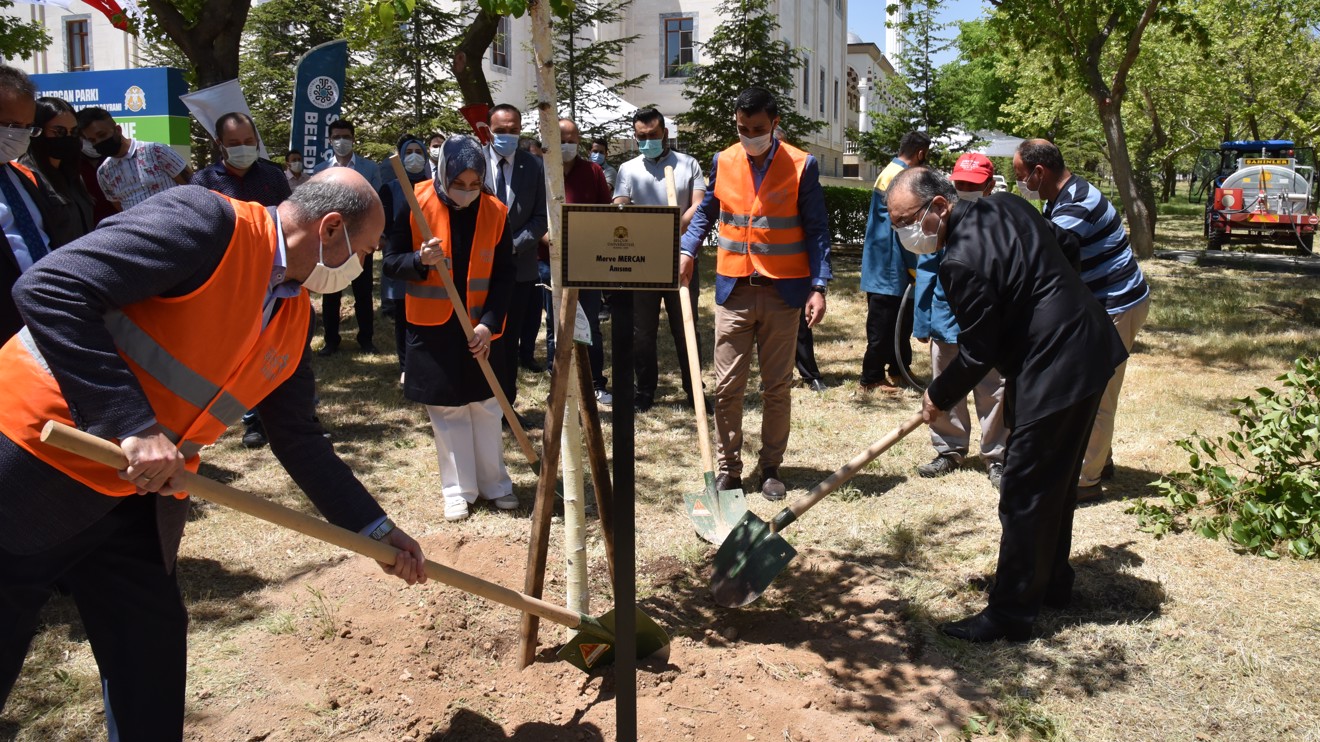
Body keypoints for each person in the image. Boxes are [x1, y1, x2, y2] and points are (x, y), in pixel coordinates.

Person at [0, 169, 428, 740]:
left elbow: (298, 436)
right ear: (330, 230)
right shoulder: (205, 223)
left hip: (135, 499)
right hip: (33, 465)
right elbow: (50, 288)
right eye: (367, 250)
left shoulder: (292, 311)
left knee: (147, 657)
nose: (364, 266)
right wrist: (132, 425)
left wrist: (372, 530)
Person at [888, 166, 1126, 642]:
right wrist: (1054, 301)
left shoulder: (959, 262)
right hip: (1089, 344)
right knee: (1053, 481)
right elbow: (1069, 248)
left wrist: (937, 394)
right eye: (895, 223)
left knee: (1024, 488)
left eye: (906, 219)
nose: (903, 232)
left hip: (1058, 366)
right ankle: (1050, 584)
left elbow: (977, 350)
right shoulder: (1010, 206)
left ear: (939, 206)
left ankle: (1011, 614)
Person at [679, 87, 832, 501]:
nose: (750, 135)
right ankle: (729, 470)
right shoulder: (723, 160)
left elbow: (817, 230)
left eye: (759, 129)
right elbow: (708, 210)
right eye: (743, 128)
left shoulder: (803, 164)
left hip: (784, 293)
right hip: (734, 290)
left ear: (775, 124)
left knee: (776, 387)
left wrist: (818, 286)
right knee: (727, 387)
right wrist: (686, 249)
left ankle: (771, 468)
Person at [384, 135, 517, 523]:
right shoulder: (414, 202)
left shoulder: (495, 210)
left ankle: (496, 484)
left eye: (475, 185)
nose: (467, 193)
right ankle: (458, 490)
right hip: (433, 327)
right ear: (443, 174)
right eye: (459, 184)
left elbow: (505, 276)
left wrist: (488, 325)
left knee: (487, 404)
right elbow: (390, 261)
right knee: (448, 410)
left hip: (479, 327)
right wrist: (419, 259)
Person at [1013, 139, 1151, 502]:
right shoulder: (1060, 198)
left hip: (1117, 305)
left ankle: (1087, 481)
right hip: (1104, 303)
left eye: (1020, 176)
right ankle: (1098, 459)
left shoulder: (1076, 204)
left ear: (1039, 172)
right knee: (1091, 387)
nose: (1019, 183)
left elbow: (1048, 258)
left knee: (1098, 392)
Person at [912, 153, 1008, 486]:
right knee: (943, 384)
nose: (965, 189)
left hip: (987, 323)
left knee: (993, 390)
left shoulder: (997, 222)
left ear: (989, 186)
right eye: (960, 184)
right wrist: (923, 319)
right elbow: (925, 269)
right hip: (945, 318)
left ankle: (997, 455)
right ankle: (949, 448)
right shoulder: (942, 218)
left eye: (973, 185)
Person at [612, 108, 705, 411]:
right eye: (641, 137)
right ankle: (645, 391)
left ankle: (694, 390)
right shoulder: (628, 169)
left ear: (665, 133)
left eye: (653, 135)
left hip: (682, 256)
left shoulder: (688, 165)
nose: (647, 140)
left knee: (685, 327)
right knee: (643, 331)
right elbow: (621, 206)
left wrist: (672, 224)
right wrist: (646, 224)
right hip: (643, 259)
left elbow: (699, 207)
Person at [484, 104, 549, 405]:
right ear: (488, 130)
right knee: (481, 338)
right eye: (500, 131)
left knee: (509, 342)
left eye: (513, 130)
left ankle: (506, 406)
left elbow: (540, 218)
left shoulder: (533, 166)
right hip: (478, 268)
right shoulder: (473, 161)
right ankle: (479, 401)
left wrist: (512, 245)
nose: (507, 136)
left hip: (519, 268)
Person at [860, 131, 926, 393]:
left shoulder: (892, 171)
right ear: (921, 153)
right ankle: (871, 377)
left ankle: (899, 369)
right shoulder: (899, 177)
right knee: (884, 324)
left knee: (901, 321)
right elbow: (904, 223)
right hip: (888, 265)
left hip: (890, 263)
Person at [1, 65, 60, 343]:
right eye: (12, 126)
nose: (20, 136)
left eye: (28, 128)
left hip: (44, 320)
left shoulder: (24, 178)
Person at [559, 116, 615, 405]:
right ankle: (560, 385)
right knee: (556, 324)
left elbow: (606, 213)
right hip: (552, 261)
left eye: (571, 140)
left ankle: (595, 382)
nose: (566, 145)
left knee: (589, 323)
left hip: (588, 260)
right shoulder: (543, 170)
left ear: (578, 141)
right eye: (561, 140)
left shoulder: (592, 171)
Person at [313, 119, 380, 356]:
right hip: (332, 242)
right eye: (337, 137)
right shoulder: (320, 169)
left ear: (353, 138)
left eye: (346, 136)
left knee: (363, 293)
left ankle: (366, 340)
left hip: (360, 242)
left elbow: (376, 205)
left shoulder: (370, 169)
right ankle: (331, 341)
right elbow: (316, 206)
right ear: (330, 140)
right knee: (331, 292)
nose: (342, 141)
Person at [378, 133, 433, 378]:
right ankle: (405, 366)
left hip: (429, 258)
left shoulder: (434, 187)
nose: (414, 158)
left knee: (426, 311)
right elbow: (384, 223)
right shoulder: (389, 189)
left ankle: (427, 360)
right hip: (401, 258)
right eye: (408, 153)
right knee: (404, 315)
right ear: (400, 158)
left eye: (419, 152)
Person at [79, 106, 192, 211]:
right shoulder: (104, 173)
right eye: (92, 140)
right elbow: (120, 209)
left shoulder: (156, 151)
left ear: (118, 130)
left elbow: (191, 186)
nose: (98, 142)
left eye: (102, 135)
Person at [19, 96, 94, 245]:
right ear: (38, 131)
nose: (67, 137)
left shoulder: (73, 175)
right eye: (58, 132)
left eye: (73, 132)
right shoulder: (26, 177)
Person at [191, 112, 292, 207]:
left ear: (257, 140)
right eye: (234, 144)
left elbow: (288, 218)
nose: (243, 148)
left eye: (248, 141)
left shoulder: (274, 176)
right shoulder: (202, 182)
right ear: (219, 143)